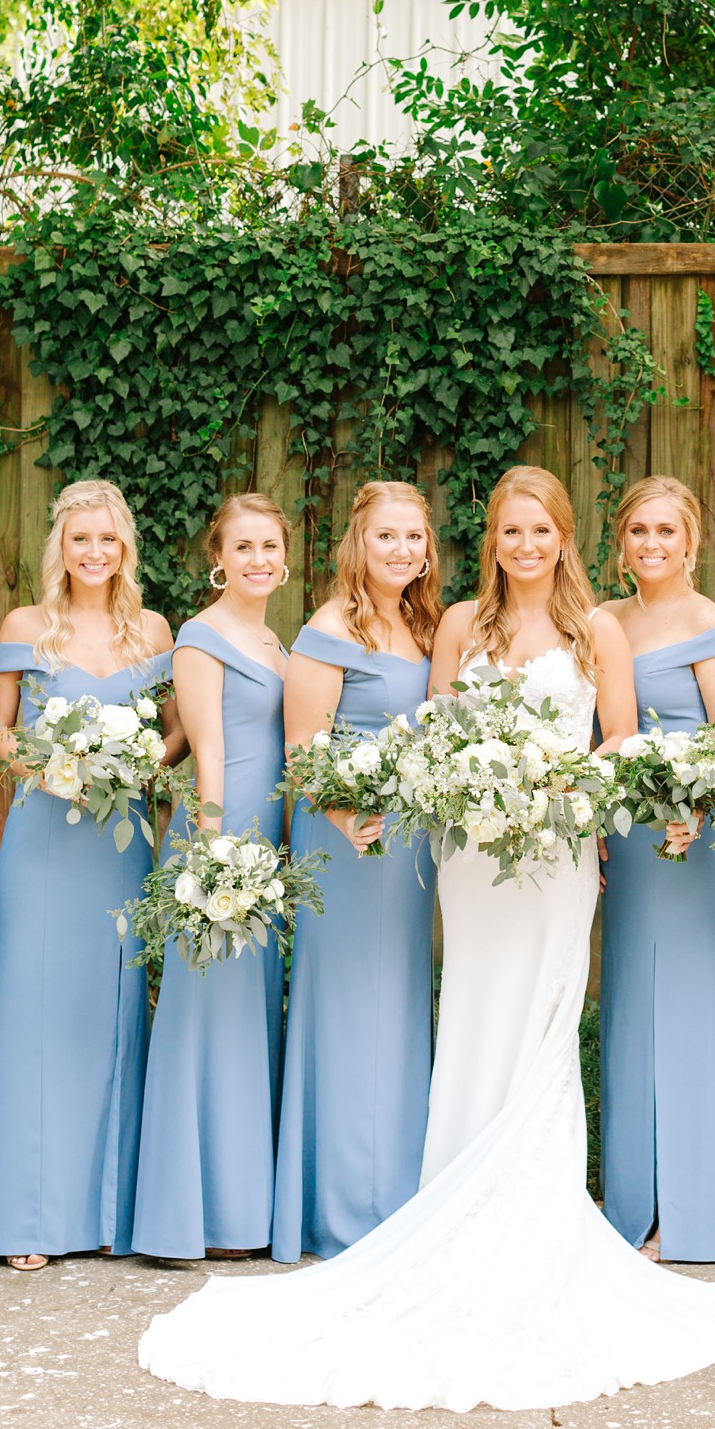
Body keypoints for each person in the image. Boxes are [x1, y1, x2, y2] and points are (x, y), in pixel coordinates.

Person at [138, 465, 715, 1410]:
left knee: (544, 1027)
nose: (525, 546)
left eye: (540, 529)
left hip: (553, 859)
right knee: (473, 1013)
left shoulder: (600, 632)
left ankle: (538, 1223)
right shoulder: (463, 625)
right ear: (491, 539)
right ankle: (454, 1202)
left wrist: (558, 790)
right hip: (472, 860)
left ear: (563, 536)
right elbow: (430, 736)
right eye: (509, 530)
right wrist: (481, 782)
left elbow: (619, 744)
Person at [0, 479, 179, 1269]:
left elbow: (182, 724)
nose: (94, 552)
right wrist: (48, 768)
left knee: (109, 1012)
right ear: (61, 546)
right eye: (80, 539)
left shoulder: (152, 629)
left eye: (108, 540)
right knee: (34, 1014)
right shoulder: (26, 625)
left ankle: (106, 1212)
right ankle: (27, 1219)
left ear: (126, 548)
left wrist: (139, 761)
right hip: (44, 839)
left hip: (119, 846)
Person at [270, 480, 441, 1262]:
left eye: (414, 537)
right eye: (386, 537)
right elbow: (303, 746)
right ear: (358, 543)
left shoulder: (424, 623)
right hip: (347, 839)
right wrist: (347, 816)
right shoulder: (331, 626)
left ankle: (398, 1194)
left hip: (406, 845)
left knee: (399, 1005)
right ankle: (342, 1207)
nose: (401, 550)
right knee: (344, 1011)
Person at [597, 476, 715, 1263]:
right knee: (630, 1002)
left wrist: (694, 803)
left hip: (688, 835)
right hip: (627, 840)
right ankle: (632, 1201)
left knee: (684, 1000)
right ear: (619, 542)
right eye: (638, 530)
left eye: (667, 530)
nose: (652, 543)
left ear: (691, 542)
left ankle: (687, 1208)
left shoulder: (708, 622)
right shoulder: (604, 619)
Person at [133, 494, 291, 1261]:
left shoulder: (276, 643)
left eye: (269, 544)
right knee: (201, 1019)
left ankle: (239, 1212)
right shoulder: (200, 637)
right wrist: (214, 846)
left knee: (245, 1022)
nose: (258, 558)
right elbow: (207, 749)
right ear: (217, 557)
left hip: (266, 849)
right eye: (244, 546)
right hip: (219, 844)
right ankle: (182, 1216)